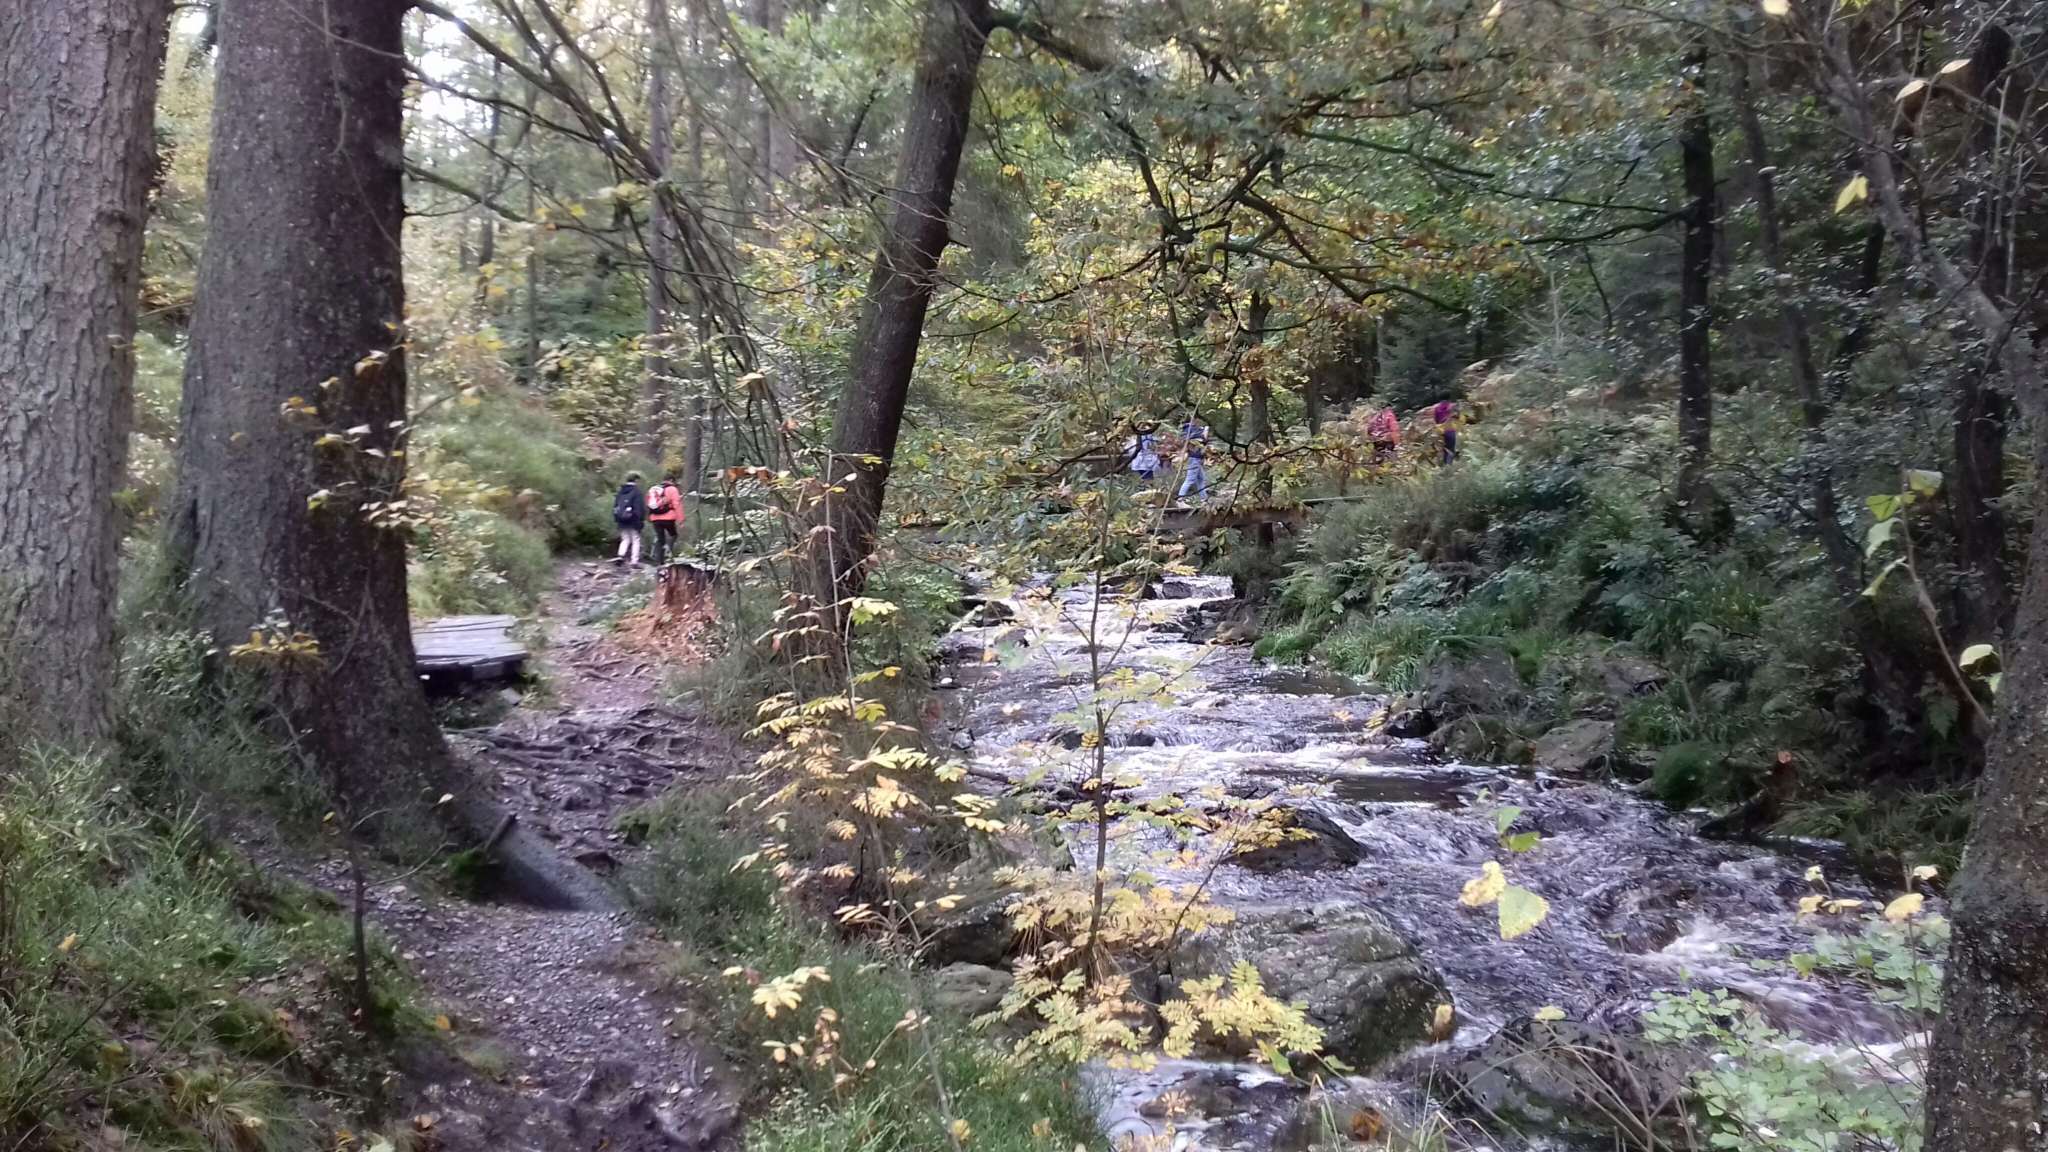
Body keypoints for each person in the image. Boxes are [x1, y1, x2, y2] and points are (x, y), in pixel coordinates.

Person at [646, 474, 684, 565]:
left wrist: (649, 517)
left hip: (655, 518)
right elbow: (677, 505)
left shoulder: (654, 489)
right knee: (673, 535)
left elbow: (648, 503)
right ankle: (668, 552)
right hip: (668, 518)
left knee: (660, 539)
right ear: (671, 480)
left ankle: (658, 560)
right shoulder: (672, 489)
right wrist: (681, 520)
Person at [611, 472, 646, 565]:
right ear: (636, 480)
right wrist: (641, 520)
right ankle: (634, 561)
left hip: (621, 519)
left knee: (625, 539)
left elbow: (615, 506)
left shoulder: (621, 491)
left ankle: (621, 555)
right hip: (634, 520)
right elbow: (639, 508)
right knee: (635, 539)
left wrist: (617, 518)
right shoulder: (637, 492)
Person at [1178, 435, 1209, 503]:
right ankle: (1180, 497)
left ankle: (1204, 497)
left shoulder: (1197, 437)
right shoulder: (1195, 439)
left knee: (1201, 479)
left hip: (1197, 460)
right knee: (1190, 480)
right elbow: (1199, 450)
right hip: (1195, 460)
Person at [1433, 399, 1460, 464]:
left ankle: (1446, 463)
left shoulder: (1437, 408)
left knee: (1445, 448)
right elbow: (1457, 416)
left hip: (1441, 430)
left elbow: (1436, 420)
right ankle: (1449, 463)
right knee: (1451, 448)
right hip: (1450, 429)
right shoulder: (1452, 406)